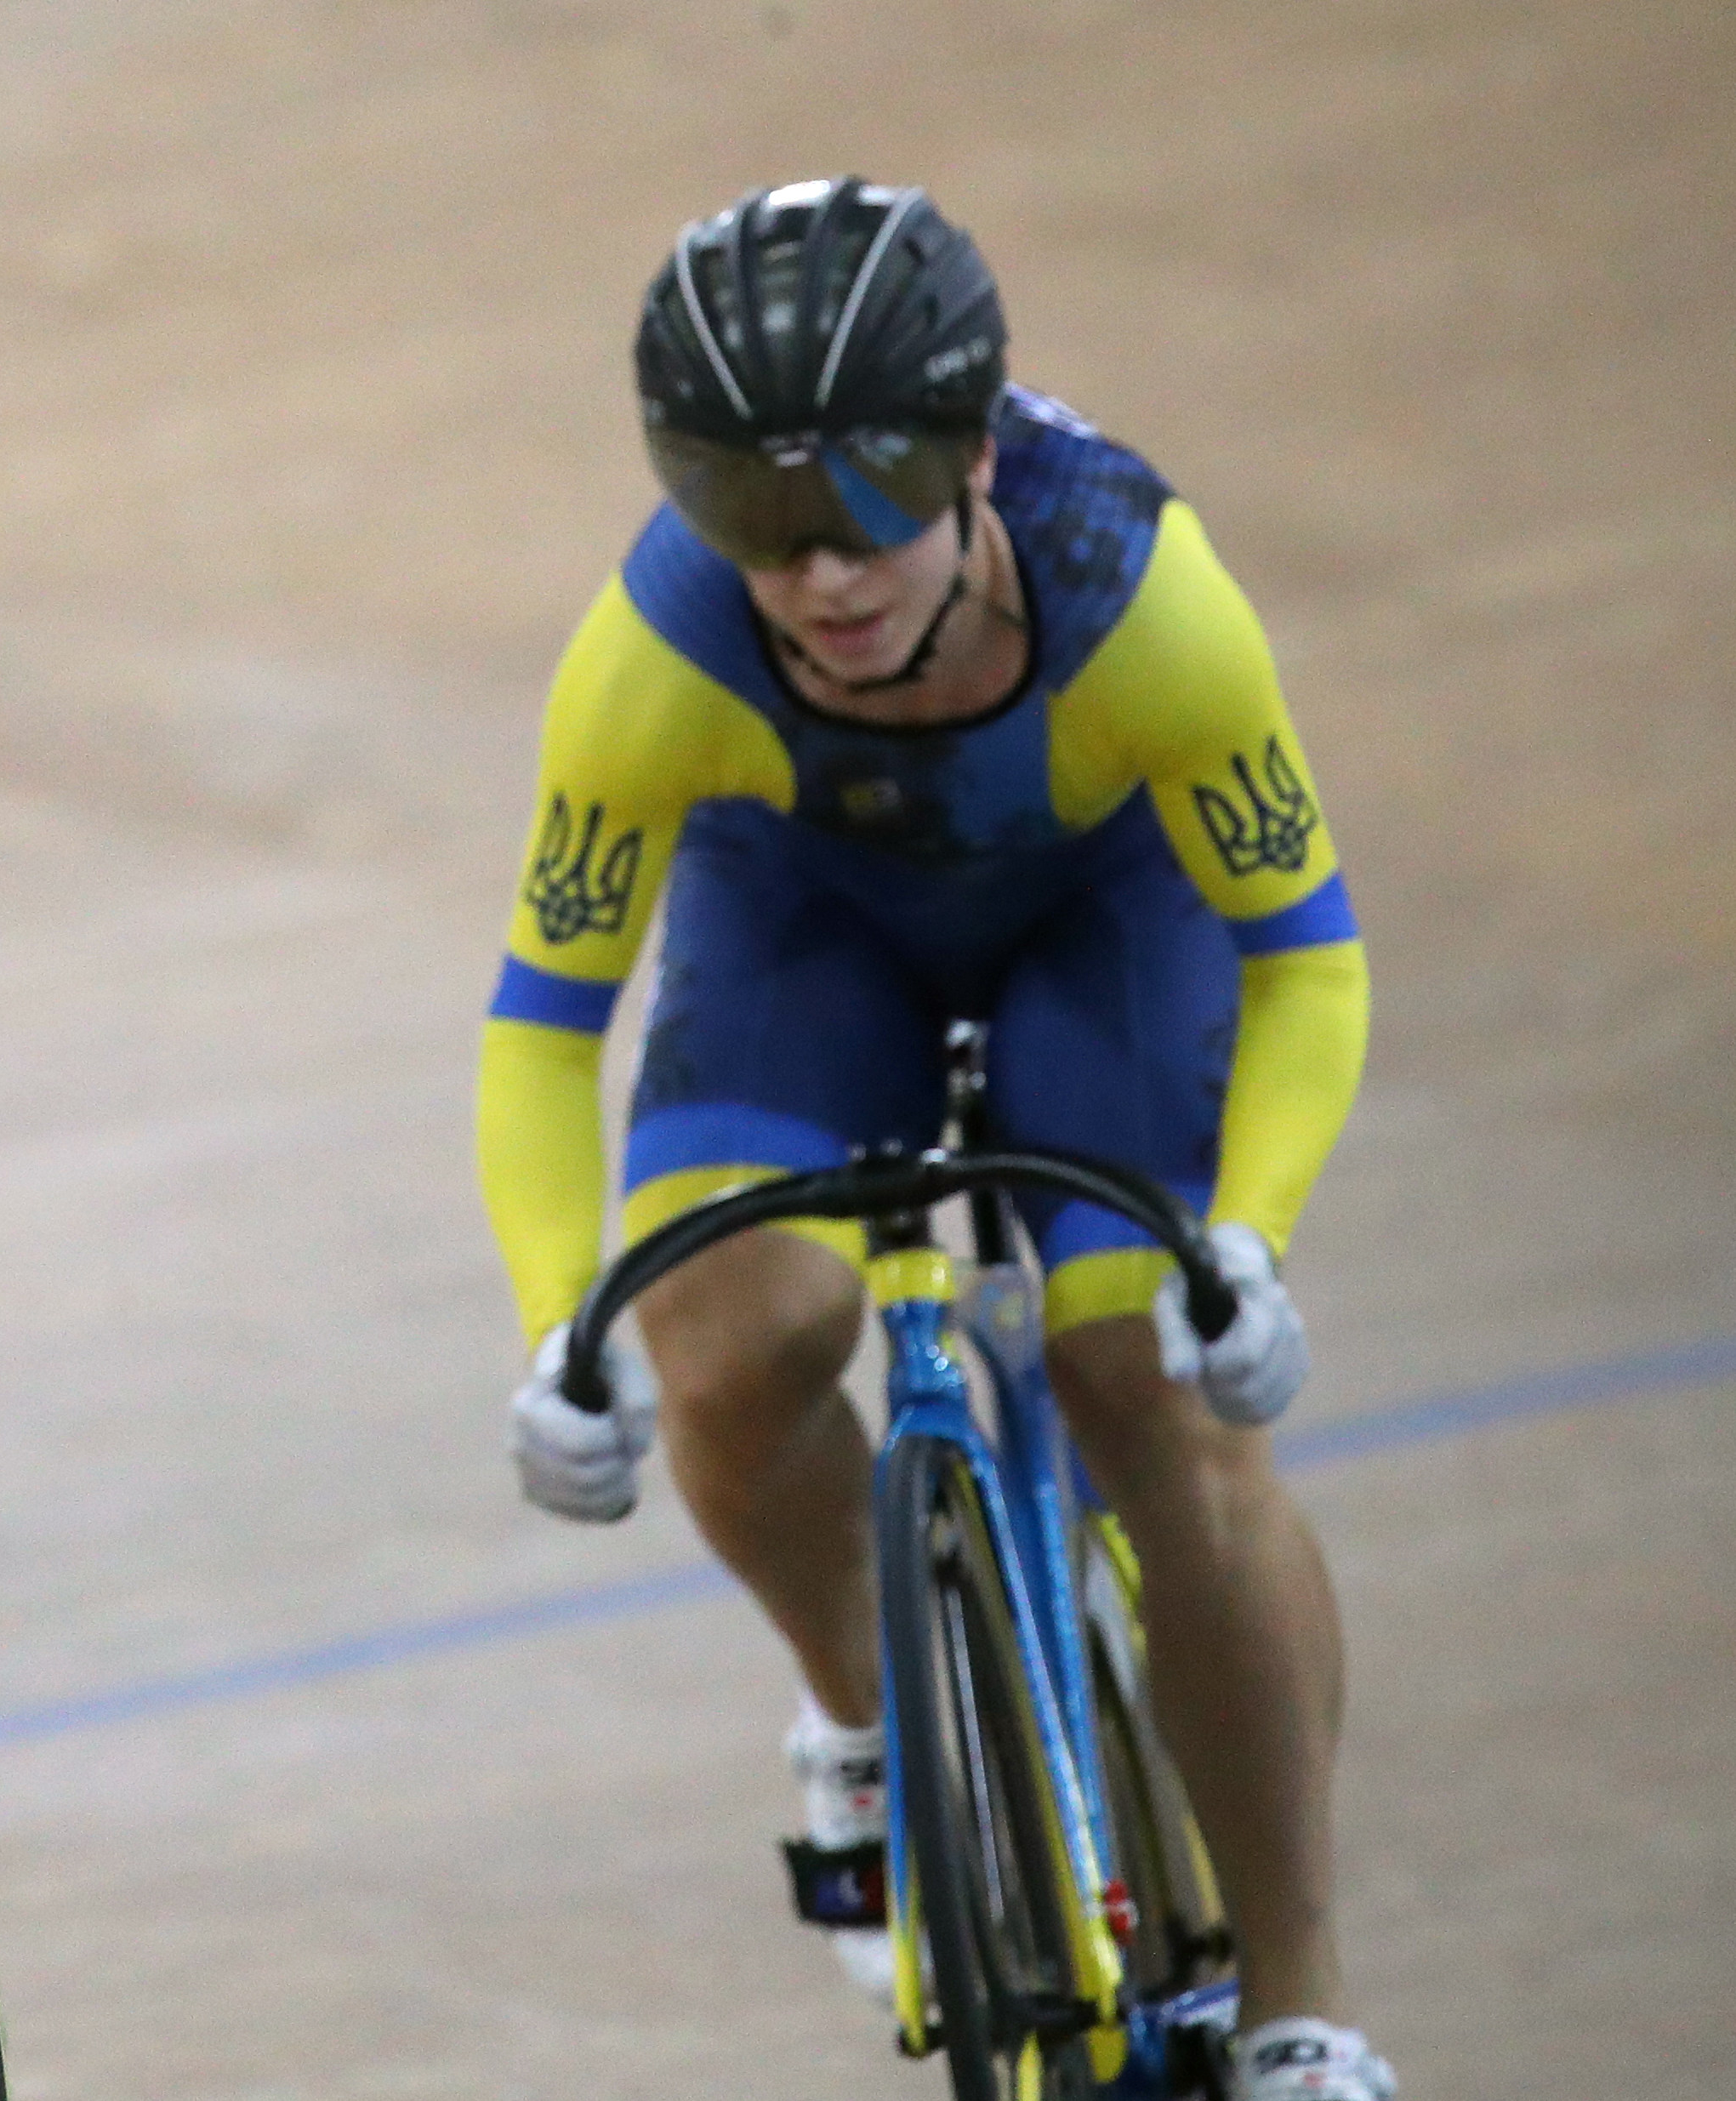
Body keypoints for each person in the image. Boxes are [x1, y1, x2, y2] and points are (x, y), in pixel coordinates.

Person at [474, 178, 1392, 2101]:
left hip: (1104, 914)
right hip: (805, 912)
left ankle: (1302, 2003)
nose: (819, 573)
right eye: (756, 517)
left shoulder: (1150, 601)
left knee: (1150, 1376)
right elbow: (544, 1028)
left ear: (978, 450)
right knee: (729, 1338)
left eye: (875, 498)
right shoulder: (650, 662)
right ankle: (862, 1720)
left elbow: (1301, 958)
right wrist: (563, 1318)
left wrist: (1258, 1237)